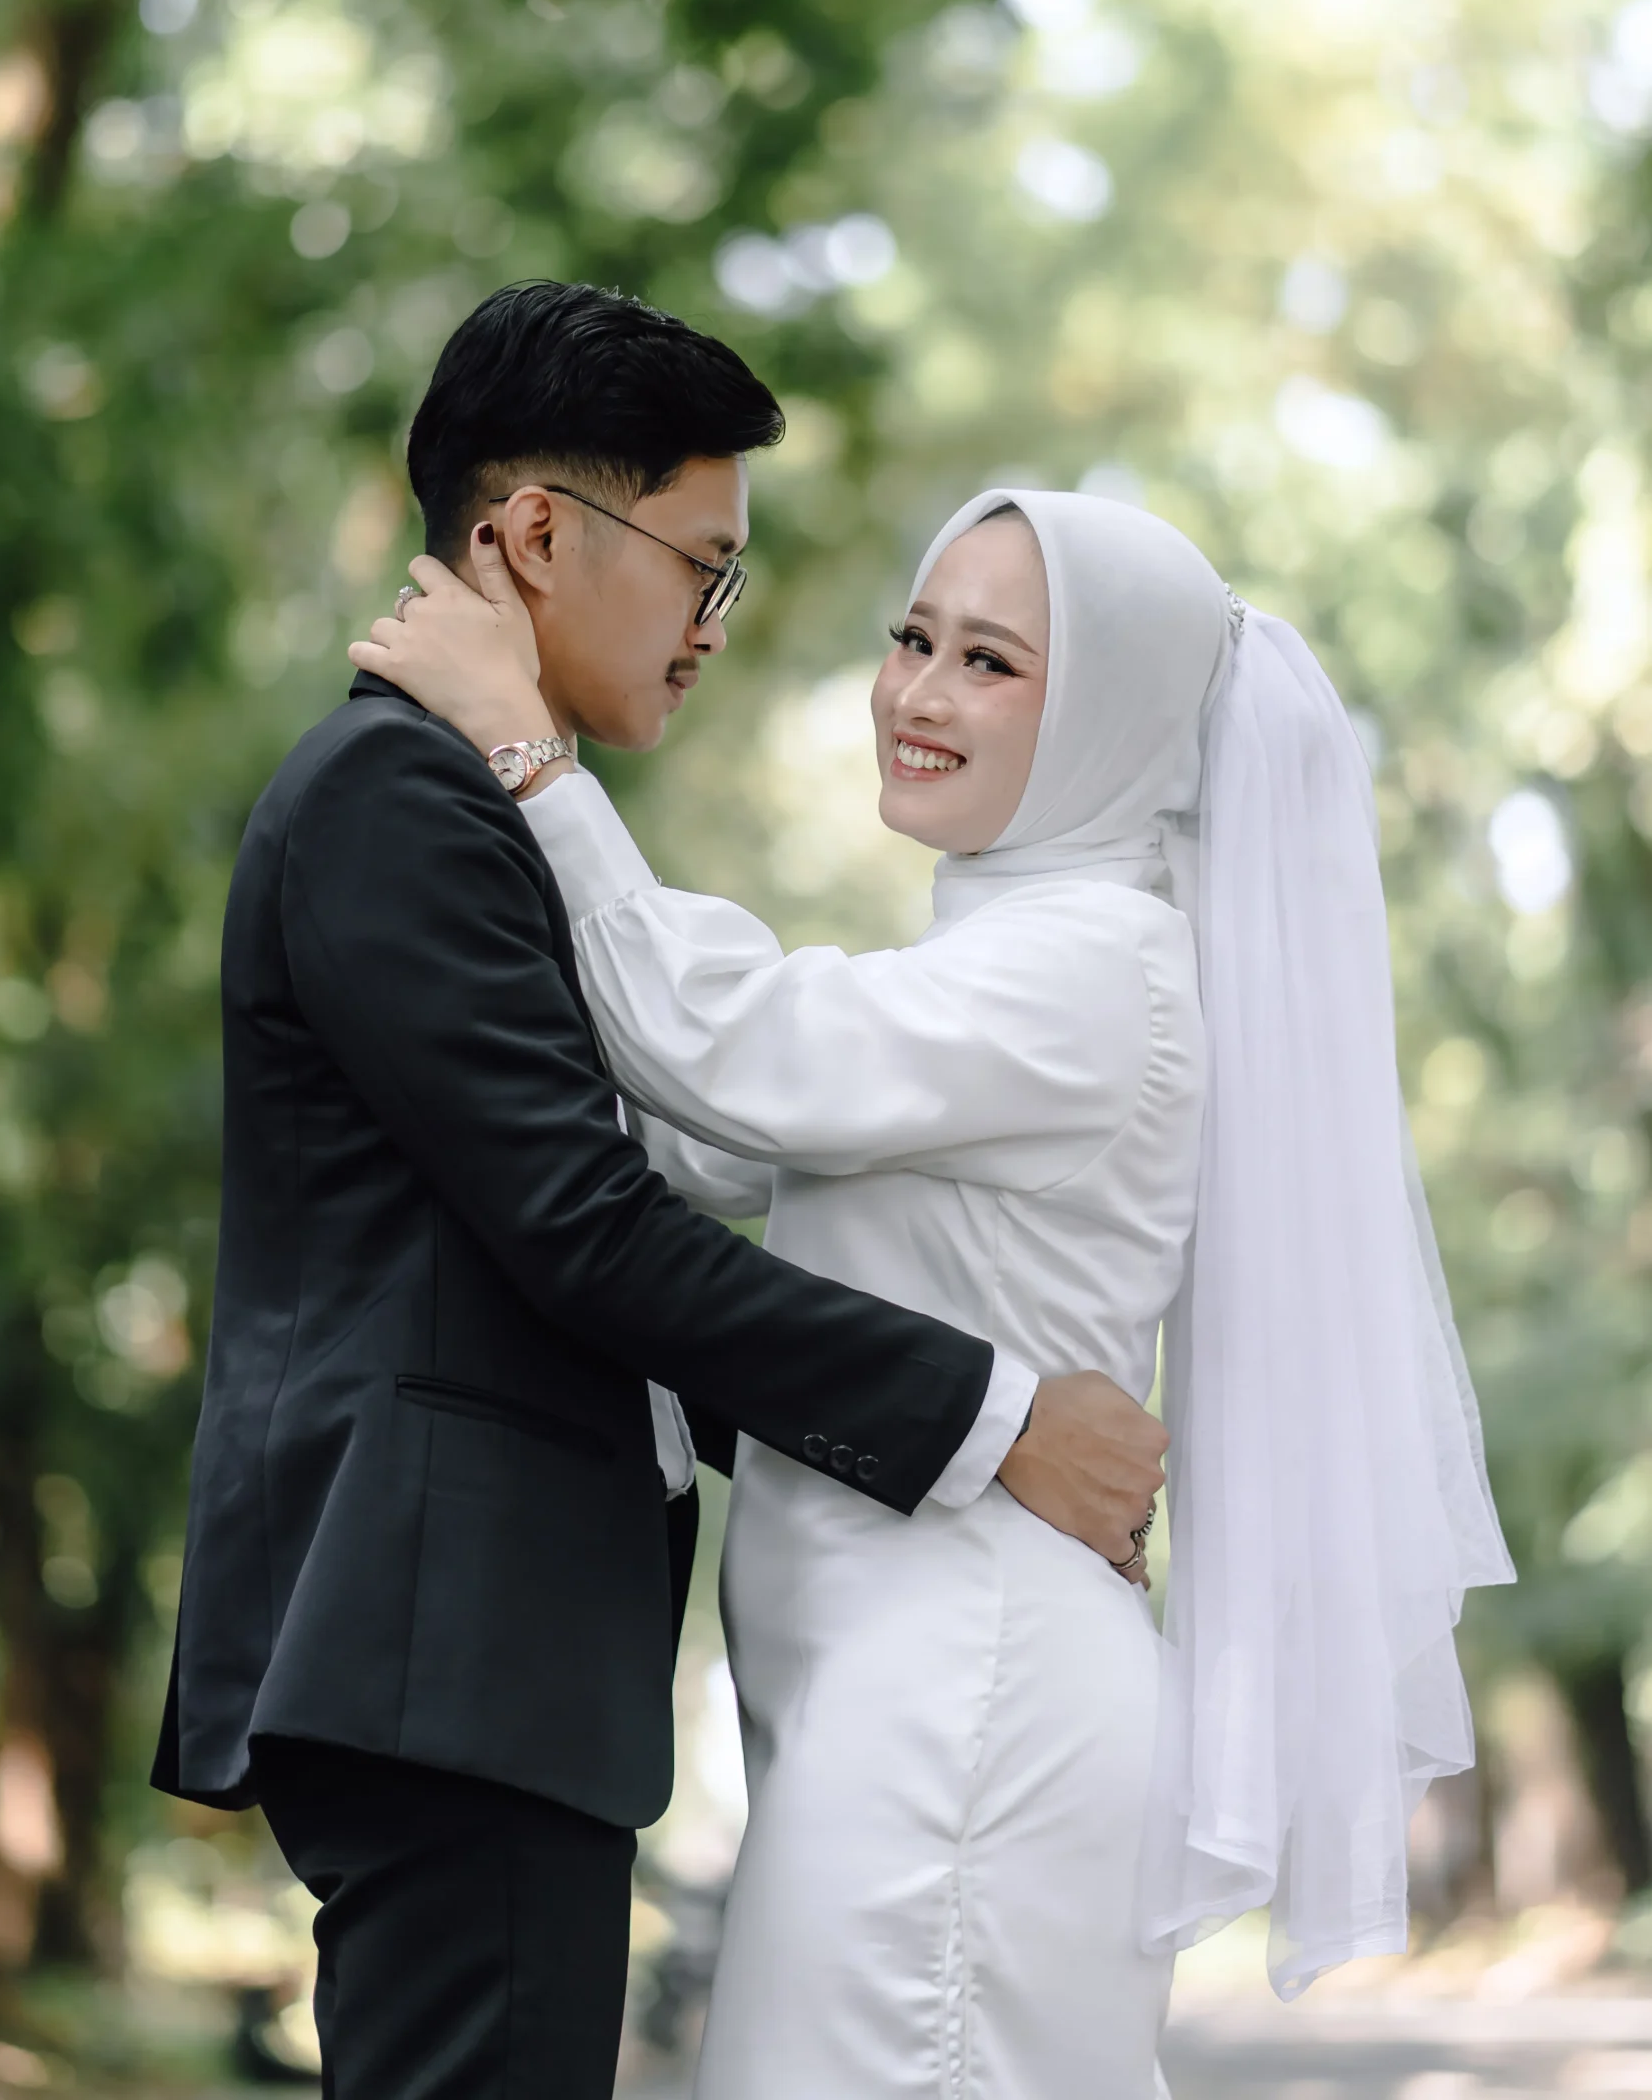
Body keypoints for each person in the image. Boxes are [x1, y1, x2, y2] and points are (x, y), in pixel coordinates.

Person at [359, 478, 1514, 2097]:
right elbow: (703, 1142)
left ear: (1111, 719)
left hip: (971, 1712)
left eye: (990, 663)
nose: (916, 693)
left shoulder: (1096, 964)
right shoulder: (997, 957)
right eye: (912, 639)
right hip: (902, 1693)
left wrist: (528, 756)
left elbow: (728, 1051)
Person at [152, 283, 1170, 2100]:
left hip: (483, 1659)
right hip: (443, 1647)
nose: (710, 628)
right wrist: (998, 1419)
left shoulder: (457, 806)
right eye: (703, 566)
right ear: (537, 537)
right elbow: (585, 1230)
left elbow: (605, 1199)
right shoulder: (400, 798)